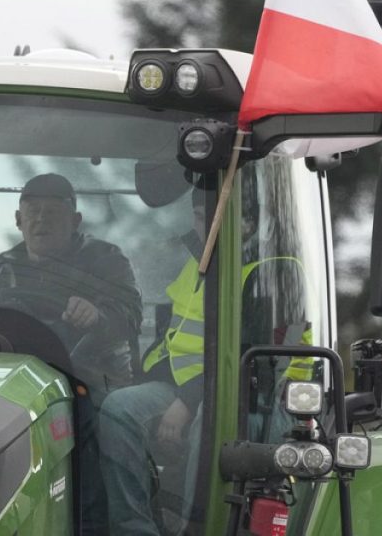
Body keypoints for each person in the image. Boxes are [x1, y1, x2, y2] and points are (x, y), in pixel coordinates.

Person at [98, 183, 314, 535]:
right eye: (199, 217)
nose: (202, 226)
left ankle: (196, 528)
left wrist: (187, 402)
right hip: (196, 387)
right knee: (117, 407)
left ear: (247, 223)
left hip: (260, 400)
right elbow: (177, 339)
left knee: (208, 427)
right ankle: (135, 528)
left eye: (212, 217)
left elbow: (259, 366)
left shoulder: (275, 271)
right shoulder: (201, 262)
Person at [0, 172, 143, 392]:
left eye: (53, 212)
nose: (41, 219)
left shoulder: (107, 261)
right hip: (3, 385)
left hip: (87, 386)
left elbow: (131, 318)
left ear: (75, 221)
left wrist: (97, 316)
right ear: (18, 220)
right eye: (33, 211)